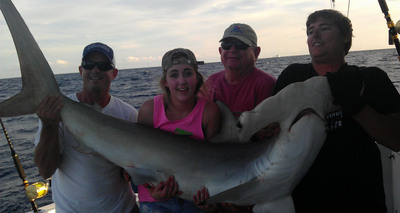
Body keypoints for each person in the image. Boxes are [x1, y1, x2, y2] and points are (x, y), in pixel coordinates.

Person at [274, 9, 400, 212]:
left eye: (324, 28)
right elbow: (271, 132)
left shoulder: (371, 77)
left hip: (361, 200)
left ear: (345, 37)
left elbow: (396, 139)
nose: (314, 35)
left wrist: (357, 106)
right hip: (302, 200)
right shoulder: (292, 76)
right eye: (310, 31)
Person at [33, 42, 139, 212]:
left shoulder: (128, 114)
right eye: (89, 65)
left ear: (114, 73)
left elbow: (132, 169)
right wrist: (48, 125)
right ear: (81, 70)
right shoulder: (55, 111)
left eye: (103, 65)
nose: (95, 70)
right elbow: (45, 170)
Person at [200, 23, 277, 212]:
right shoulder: (211, 82)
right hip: (213, 170)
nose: (232, 50)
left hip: (249, 174)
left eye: (241, 46)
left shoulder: (266, 84)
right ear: (220, 51)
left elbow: (269, 143)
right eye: (227, 46)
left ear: (256, 52)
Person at [137, 48, 221, 213]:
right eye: (174, 74)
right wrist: (153, 192)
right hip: (155, 199)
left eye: (188, 73)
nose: (182, 80)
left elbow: (214, 161)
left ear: (197, 78)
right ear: (166, 81)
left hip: (192, 199)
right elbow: (137, 159)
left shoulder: (210, 112)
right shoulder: (149, 110)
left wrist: (209, 200)